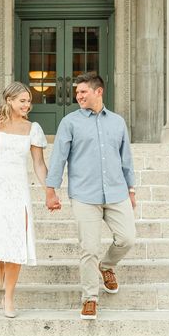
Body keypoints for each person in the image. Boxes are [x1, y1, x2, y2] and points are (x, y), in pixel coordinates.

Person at [45, 72, 137, 320]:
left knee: (127, 238)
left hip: (117, 191)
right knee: (89, 248)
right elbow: (59, 158)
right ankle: (90, 298)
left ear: (99, 92)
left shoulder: (117, 122)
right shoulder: (70, 122)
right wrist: (50, 190)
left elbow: (125, 157)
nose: (78, 96)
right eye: (77, 92)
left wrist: (131, 189)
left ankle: (106, 266)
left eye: (83, 92)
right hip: (85, 195)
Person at [0, 82, 48, 318]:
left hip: (18, 190)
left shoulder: (33, 128)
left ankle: (9, 297)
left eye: (28, 101)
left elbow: (38, 164)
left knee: (17, 239)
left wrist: (49, 190)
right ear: (10, 101)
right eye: (22, 100)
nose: (27, 105)